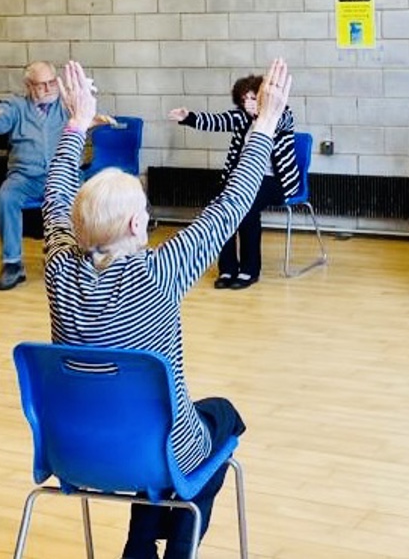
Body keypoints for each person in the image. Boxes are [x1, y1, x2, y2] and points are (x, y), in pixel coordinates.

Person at [43, 59, 291, 559]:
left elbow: (54, 196)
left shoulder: (57, 267)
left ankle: (139, 546)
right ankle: (178, 548)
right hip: (155, 447)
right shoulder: (160, 270)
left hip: (77, 447)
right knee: (221, 419)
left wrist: (75, 123)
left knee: (152, 425)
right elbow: (232, 204)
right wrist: (264, 123)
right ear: (138, 227)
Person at [0, 61, 112, 291]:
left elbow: (83, 117)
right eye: (42, 85)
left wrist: (92, 121)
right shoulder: (16, 107)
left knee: (87, 200)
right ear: (29, 86)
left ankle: (76, 256)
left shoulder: (65, 106)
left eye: (52, 82)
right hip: (25, 177)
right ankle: (12, 264)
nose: (49, 88)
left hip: (64, 176)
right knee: (5, 199)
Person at [167, 73, 299, 289]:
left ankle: (249, 270)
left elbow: (279, 120)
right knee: (220, 204)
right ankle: (228, 269)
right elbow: (218, 121)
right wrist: (188, 117)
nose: (248, 104)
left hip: (275, 181)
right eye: (243, 100)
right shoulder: (242, 118)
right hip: (243, 178)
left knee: (246, 207)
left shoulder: (281, 115)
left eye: (252, 98)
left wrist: (264, 114)